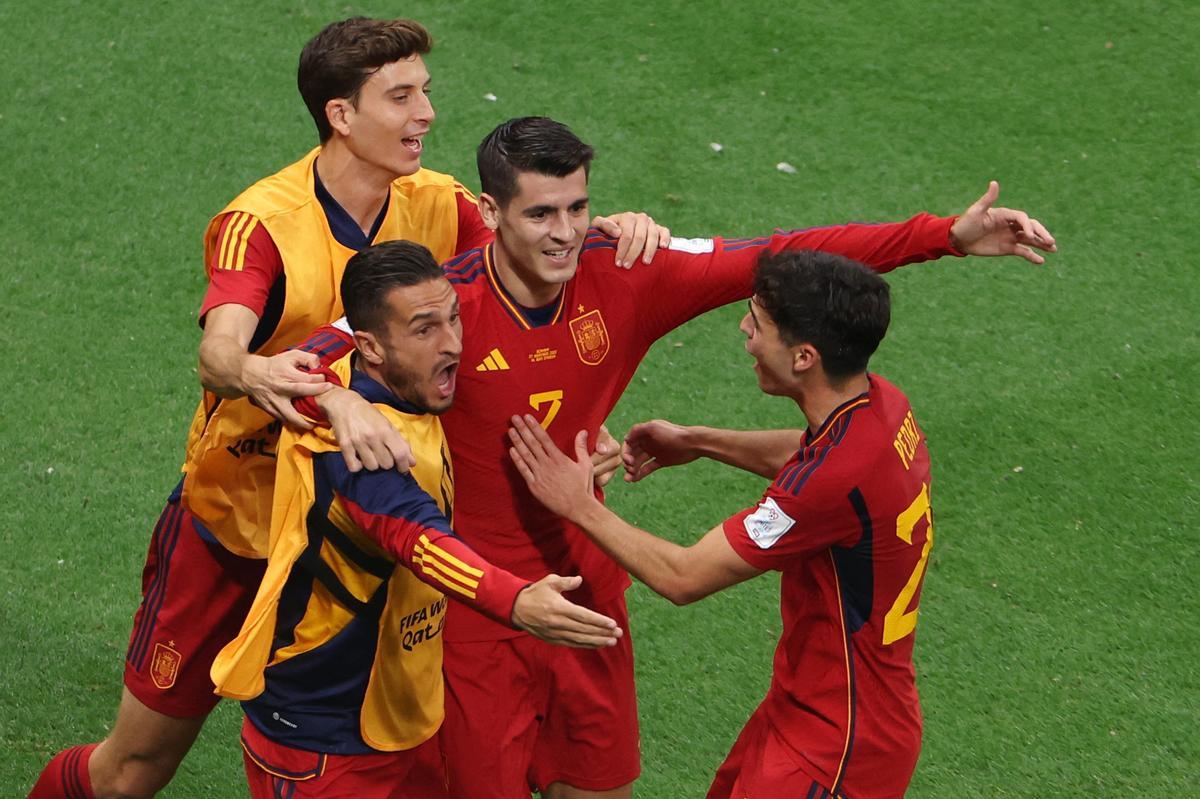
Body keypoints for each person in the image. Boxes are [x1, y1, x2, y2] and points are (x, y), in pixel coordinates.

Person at [290, 116, 1054, 798]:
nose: (566, 232)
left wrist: (940, 237)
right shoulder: (444, 310)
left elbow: (782, 257)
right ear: (489, 214)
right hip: (477, 617)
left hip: (592, 593)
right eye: (541, 212)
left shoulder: (628, 268)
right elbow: (294, 366)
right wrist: (339, 396)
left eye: (578, 206)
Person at [29, 19, 660, 799]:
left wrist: (609, 233)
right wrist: (329, 395)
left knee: (382, 760)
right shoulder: (260, 224)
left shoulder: (440, 204)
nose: (426, 113)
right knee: (131, 772)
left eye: (425, 91)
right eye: (401, 96)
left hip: (357, 542)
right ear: (341, 115)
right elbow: (221, 356)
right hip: (240, 527)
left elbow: (525, 252)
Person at [507, 249, 938, 798]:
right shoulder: (883, 408)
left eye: (757, 323)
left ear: (804, 356)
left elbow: (684, 577)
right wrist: (697, 440)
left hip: (836, 748)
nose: (745, 331)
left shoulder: (831, 481)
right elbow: (807, 457)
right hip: (822, 710)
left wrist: (579, 504)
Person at [212, 240, 622, 798]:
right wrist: (516, 601)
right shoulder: (356, 446)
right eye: (425, 329)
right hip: (323, 735)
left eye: (454, 319)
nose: (453, 344)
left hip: (396, 716)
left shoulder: (411, 395)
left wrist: (584, 431)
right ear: (370, 348)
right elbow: (419, 541)